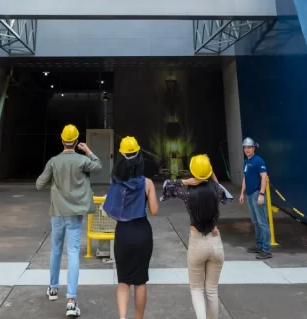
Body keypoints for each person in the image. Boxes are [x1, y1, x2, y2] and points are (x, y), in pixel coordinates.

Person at [36, 124, 102, 317]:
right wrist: (88, 150)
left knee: (56, 249)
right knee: (73, 253)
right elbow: (98, 166)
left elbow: (39, 184)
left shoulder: (53, 161)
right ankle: (71, 301)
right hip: (75, 214)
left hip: (57, 212)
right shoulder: (83, 161)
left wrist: (55, 180)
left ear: (62, 140)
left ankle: (53, 288)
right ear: (76, 140)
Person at [161, 154, 232, 319]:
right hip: (216, 242)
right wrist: (210, 169)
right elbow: (225, 194)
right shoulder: (217, 190)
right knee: (212, 290)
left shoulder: (186, 191)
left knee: (197, 289)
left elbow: (167, 186)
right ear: (208, 172)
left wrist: (184, 181)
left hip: (197, 242)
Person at [102, 136, 159, 319]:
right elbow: (155, 211)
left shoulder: (116, 183)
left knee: (123, 280)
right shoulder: (147, 183)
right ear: (139, 157)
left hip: (123, 233)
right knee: (140, 281)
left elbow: (109, 209)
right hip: (142, 232)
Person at [238, 137, 271, 259]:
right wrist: (242, 193)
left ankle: (266, 249)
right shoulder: (245, 162)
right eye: (245, 147)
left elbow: (264, 177)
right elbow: (245, 178)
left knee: (262, 222)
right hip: (249, 194)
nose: (247, 150)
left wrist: (262, 194)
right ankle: (259, 245)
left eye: (249, 147)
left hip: (257, 194)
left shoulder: (258, 161)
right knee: (255, 221)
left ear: (253, 148)